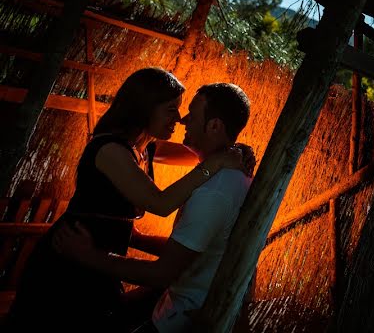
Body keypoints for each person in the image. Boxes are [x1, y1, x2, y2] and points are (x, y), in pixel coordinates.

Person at [5, 68, 247, 332]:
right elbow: (161, 203)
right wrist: (216, 162)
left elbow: (198, 151)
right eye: (170, 109)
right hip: (70, 255)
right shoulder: (111, 150)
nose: (179, 119)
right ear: (145, 108)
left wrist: (236, 152)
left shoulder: (144, 148)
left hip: (98, 258)